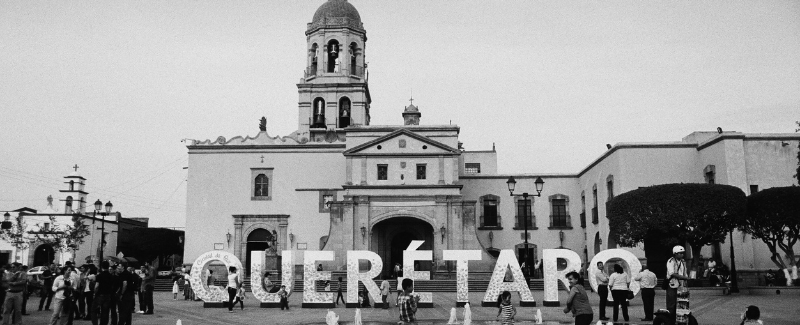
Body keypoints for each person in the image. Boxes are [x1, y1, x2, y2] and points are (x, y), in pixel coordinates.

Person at [666, 245, 690, 320]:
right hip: (673, 285)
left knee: (682, 302)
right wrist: (684, 277)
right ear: (675, 253)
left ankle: (680, 318)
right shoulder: (671, 261)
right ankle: (670, 319)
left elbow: (684, 272)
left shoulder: (683, 262)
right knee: (672, 303)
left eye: (682, 253)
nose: (682, 254)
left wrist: (686, 281)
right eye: (680, 253)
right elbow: (672, 273)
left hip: (682, 285)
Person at [92, 261, 115, 325]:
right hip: (108, 295)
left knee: (94, 310)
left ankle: (95, 323)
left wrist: (94, 293)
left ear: (102, 267)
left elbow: (97, 286)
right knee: (105, 312)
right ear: (108, 267)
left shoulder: (99, 276)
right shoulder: (111, 276)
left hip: (100, 294)